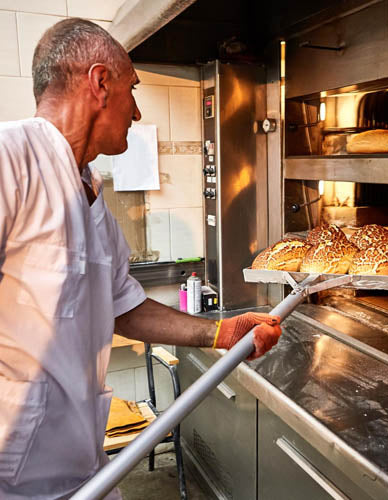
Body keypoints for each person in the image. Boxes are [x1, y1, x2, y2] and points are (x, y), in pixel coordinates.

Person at [0, 18, 281, 499]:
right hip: (13, 472)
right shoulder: (11, 159)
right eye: (132, 89)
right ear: (99, 82)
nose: (135, 110)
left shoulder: (88, 193)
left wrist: (220, 333)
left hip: (82, 462)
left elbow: (123, 308)